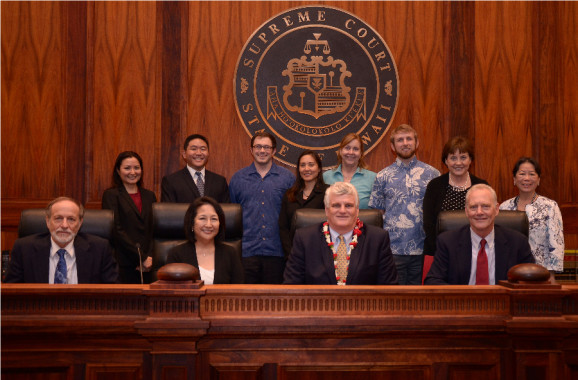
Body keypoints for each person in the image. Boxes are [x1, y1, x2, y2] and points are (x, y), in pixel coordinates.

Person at [284, 182, 398, 285]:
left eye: (348, 205)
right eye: (336, 205)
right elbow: (291, 287)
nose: (342, 211)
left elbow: (389, 289)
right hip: (319, 307)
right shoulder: (304, 239)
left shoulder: (377, 239)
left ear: (357, 210)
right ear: (327, 210)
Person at [369, 124, 440, 285]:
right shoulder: (382, 176)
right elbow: (378, 215)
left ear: (417, 143)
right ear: (393, 146)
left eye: (409, 138)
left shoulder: (433, 175)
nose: (405, 143)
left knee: (422, 301)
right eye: (400, 140)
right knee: (394, 299)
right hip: (393, 250)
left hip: (425, 249)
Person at [424, 184, 534, 285]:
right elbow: (433, 281)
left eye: (485, 206)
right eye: (473, 207)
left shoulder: (518, 242)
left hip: (503, 304)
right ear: (466, 211)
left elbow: (531, 281)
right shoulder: (448, 242)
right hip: (463, 304)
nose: (479, 212)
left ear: (496, 209)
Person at [229, 131, 294, 284]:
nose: (262, 151)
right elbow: (232, 216)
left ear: (274, 151)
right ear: (251, 150)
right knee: (246, 303)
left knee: (275, 303)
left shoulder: (288, 178)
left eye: (266, 147)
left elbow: (292, 215)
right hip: (246, 252)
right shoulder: (238, 178)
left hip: (277, 252)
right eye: (258, 147)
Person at [4, 197, 118, 284]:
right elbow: (11, 292)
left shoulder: (100, 249)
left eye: (71, 219)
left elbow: (113, 291)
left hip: (83, 313)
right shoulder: (24, 249)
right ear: (48, 221)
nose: (64, 225)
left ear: (79, 224)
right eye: (58, 218)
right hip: (39, 313)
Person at [423, 136, 488, 255]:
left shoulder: (482, 186)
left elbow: (488, 219)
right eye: (453, 158)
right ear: (446, 161)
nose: (458, 163)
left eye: (463, 157)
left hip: (476, 252)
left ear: (470, 160)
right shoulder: (434, 186)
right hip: (440, 253)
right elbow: (428, 224)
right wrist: (443, 251)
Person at [499, 157, 564, 272]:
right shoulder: (504, 207)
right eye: (522, 174)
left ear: (538, 180)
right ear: (514, 178)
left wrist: (551, 274)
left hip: (539, 272)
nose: (527, 178)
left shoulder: (550, 206)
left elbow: (556, 244)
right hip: (508, 270)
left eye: (532, 174)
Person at [102, 151, 157, 284]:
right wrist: (140, 257)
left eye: (136, 168)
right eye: (127, 168)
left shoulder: (150, 196)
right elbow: (116, 230)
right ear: (118, 170)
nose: (133, 172)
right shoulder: (111, 195)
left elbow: (154, 230)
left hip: (148, 265)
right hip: (123, 262)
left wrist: (149, 257)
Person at [166, 197, 244, 284]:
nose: (209, 224)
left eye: (214, 219)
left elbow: (239, 291)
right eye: (202, 218)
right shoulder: (176, 254)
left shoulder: (231, 253)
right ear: (192, 223)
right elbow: (171, 292)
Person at [279, 150, 329, 258]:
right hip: (293, 255)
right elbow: (283, 228)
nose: (306, 169)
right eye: (302, 165)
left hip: (321, 254)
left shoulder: (329, 193)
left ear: (319, 168)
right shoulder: (290, 194)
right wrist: (291, 253)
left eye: (311, 165)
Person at [161, 134, 230, 203]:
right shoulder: (171, 181)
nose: (199, 153)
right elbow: (168, 212)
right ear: (184, 154)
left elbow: (227, 211)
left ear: (208, 153)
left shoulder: (220, 182)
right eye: (194, 149)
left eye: (203, 149)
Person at [323, 133, 377, 209]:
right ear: (340, 151)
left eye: (355, 149)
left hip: (363, 221)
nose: (351, 152)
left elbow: (378, 213)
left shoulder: (374, 178)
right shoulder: (326, 177)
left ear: (361, 153)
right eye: (347, 148)